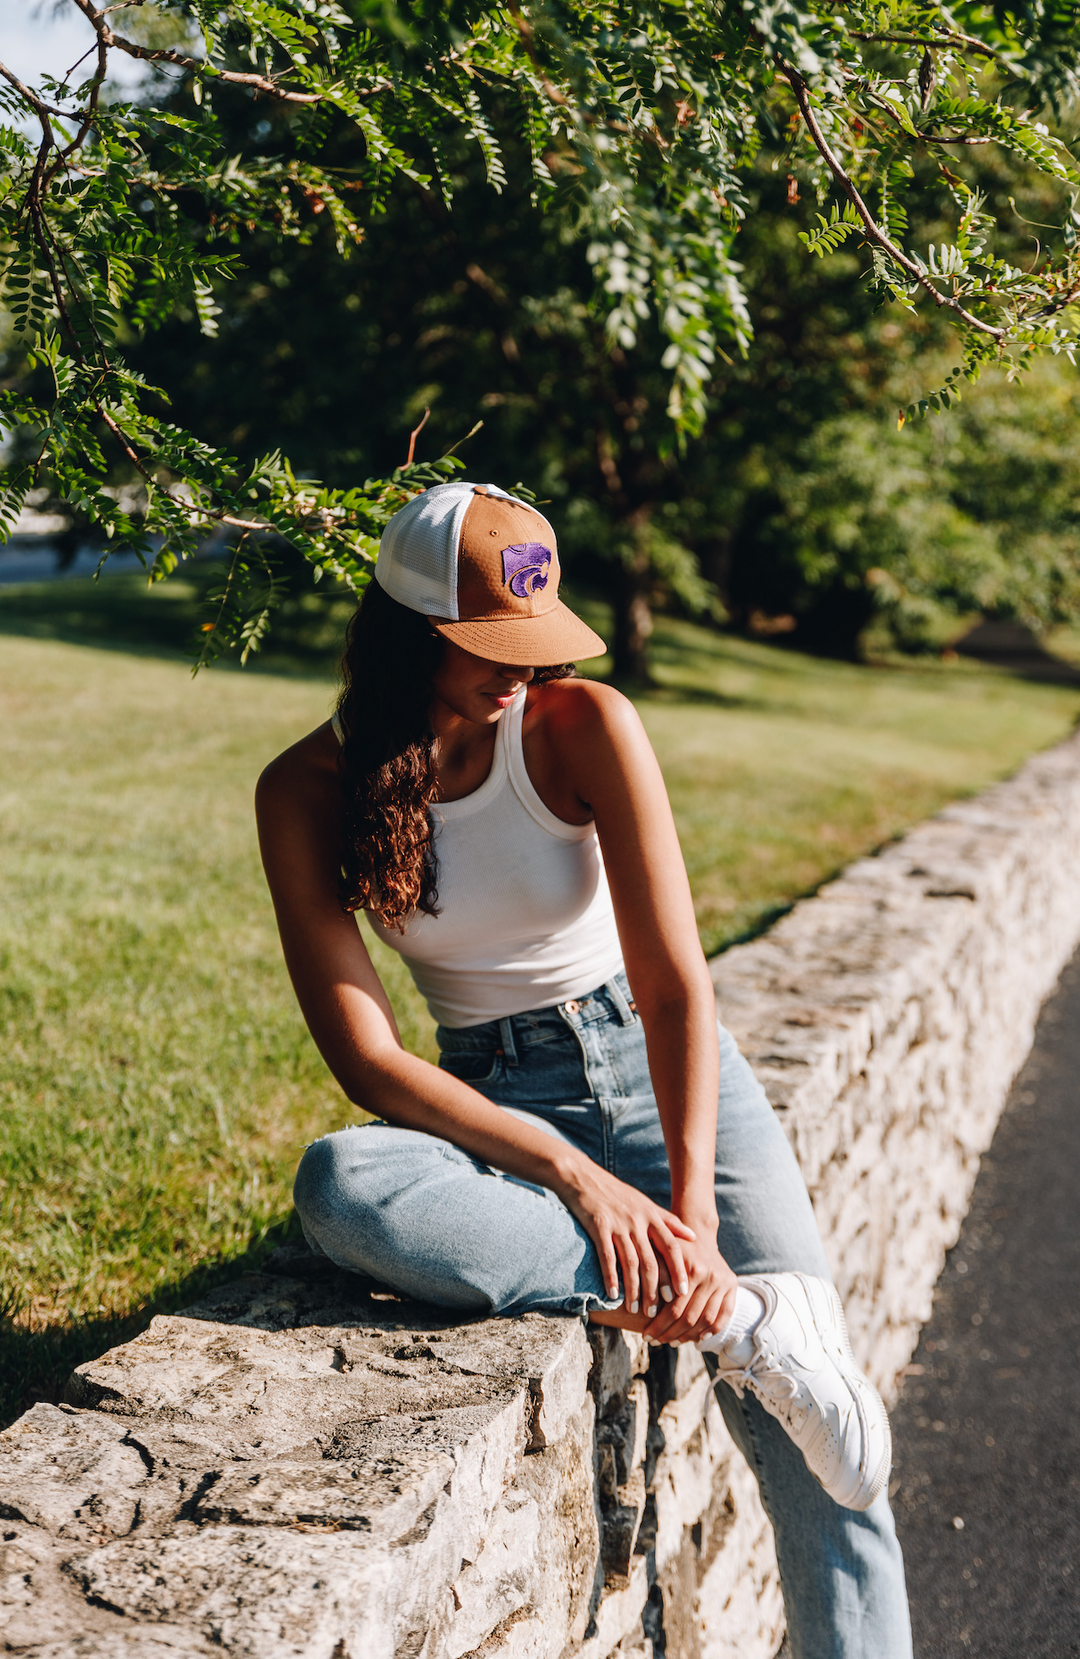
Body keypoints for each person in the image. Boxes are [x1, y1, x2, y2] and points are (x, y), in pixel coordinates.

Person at [255, 481, 913, 1659]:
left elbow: (672, 983)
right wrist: (571, 1176)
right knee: (339, 1186)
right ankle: (746, 1325)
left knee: (831, 1465)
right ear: (410, 630)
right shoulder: (304, 790)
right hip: (494, 1105)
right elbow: (365, 1057)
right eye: (485, 650)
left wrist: (690, 1206)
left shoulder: (581, 726)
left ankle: (751, 1326)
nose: (518, 673)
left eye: (532, 643)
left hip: (664, 1074)